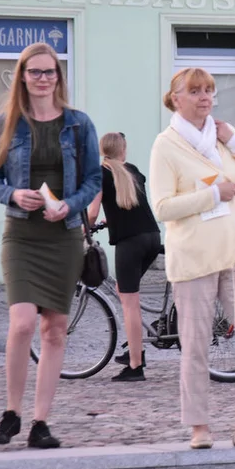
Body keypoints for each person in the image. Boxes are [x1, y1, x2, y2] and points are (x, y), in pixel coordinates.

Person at [149, 67, 235, 449]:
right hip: (195, 256)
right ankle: (199, 428)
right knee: (195, 344)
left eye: (209, 90)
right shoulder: (167, 144)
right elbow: (162, 207)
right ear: (176, 98)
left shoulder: (224, 138)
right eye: (195, 92)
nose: (205, 98)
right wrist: (213, 195)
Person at [0, 42, 102, 449]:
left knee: (54, 330)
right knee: (22, 323)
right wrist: (13, 195)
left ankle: (40, 422)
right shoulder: (6, 123)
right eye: (35, 72)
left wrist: (71, 204)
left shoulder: (79, 124)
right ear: (22, 76)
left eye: (50, 72)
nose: (43, 78)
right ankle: (11, 413)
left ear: (58, 77)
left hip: (63, 235)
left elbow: (93, 180)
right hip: (21, 235)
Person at [87, 131, 164, 381]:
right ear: (123, 149)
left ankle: (135, 365)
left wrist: (85, 226)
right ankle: (134, 346)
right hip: (151, 237)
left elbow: (91, 212)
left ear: (102, 150)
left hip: (131, 243)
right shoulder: (131, 170)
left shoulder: (101, 173)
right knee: (124, 290)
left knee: (129, 302)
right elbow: (129, 205)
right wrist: (110, 221)